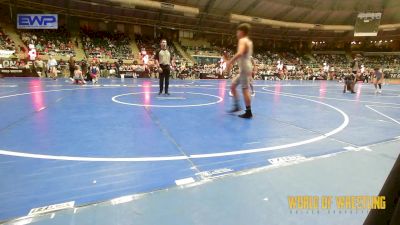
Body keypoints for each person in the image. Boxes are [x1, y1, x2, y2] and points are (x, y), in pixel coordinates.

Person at [226, 23, 254, 119]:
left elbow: (240, 52)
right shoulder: (248, 41)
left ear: (241, 32)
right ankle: (237, 106)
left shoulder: (242, 40)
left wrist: (230, 61)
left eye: (237, 31)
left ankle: (248, 112)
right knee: (233, 85)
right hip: (245, 68)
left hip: (245, 68)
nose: (237, 33)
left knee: (245, 89)